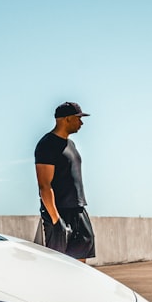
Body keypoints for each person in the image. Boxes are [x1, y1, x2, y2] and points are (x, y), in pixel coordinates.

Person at [34, 101, 96, 261]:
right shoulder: (47, 145)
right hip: (59, 213)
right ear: (67, 119)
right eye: (78, 118)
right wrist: (56, 220)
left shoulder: (71, 144)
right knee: (58, 266)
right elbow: (44, 186)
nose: (81, 122)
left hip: (79, 210)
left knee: (81, 264)